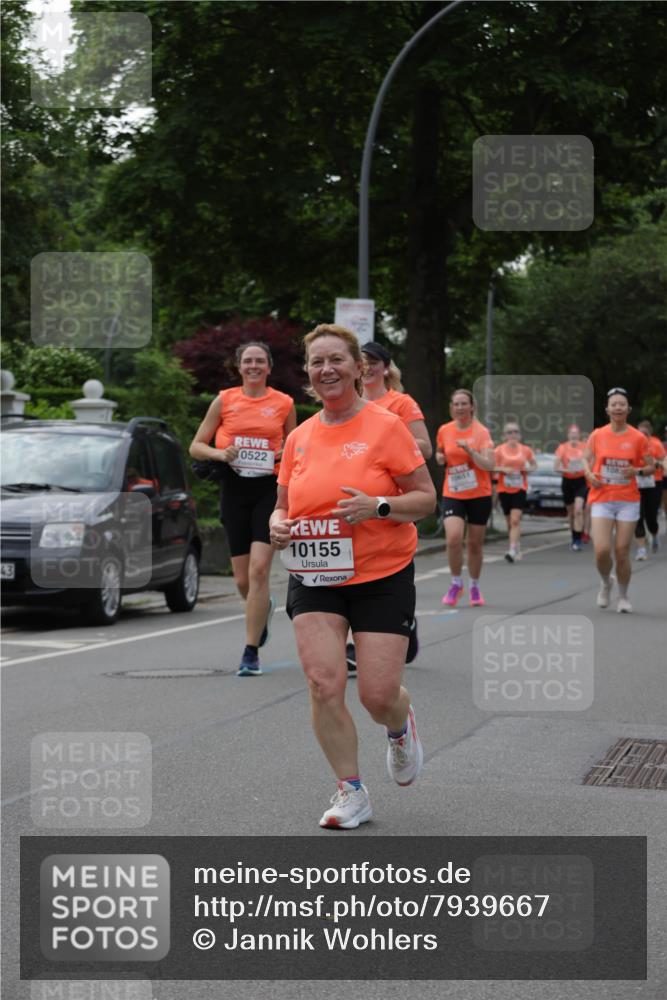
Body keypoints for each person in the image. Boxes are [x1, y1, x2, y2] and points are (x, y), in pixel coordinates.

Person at [269, 324, 436, 829]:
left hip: (382, 573)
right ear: (308, 374)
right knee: (324, 682)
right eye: (317, 362)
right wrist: (278, 526)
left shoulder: (386, 426)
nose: (327, 370)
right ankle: (352, 791)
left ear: (359, 368)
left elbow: (425, 498)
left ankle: (400, 726)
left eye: (337, 360)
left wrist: (379, 506)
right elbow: (281, 508)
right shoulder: (299, 437)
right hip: (315, 573)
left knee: (377, 694)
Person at [190, 341, 296, 674]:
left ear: (269, 366)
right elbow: (196, 446)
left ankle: (250, 653)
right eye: (248, 361)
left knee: (259, 570)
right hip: (234, 490)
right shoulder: (225, 400)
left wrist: (282, 456)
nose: (253, 366)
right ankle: (261, 607)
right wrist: (221, 454)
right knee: (241, 580)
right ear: (239, 366)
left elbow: (297, 446)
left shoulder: (283, 403)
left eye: (260, 361)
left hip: (269, 489)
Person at [341, 341, 432, 675]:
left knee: (388, 563)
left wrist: (388, 441)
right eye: (362, 362)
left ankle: (403, 617)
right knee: (349, 565)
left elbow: (425, 445)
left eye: (374, 362)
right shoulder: (350, 405)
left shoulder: (400, 403)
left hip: (393, 499)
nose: (368, 367)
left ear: (385, 367)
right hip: (353, 496)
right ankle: (353, 644)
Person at [582, 388, 654, 613]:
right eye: (614, 404)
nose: (618, 407)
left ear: (628, 409)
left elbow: (651, 465)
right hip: (602, 497)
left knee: (622, 551)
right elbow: (585, 459)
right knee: (602, 550)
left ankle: (623, 596)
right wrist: (589, 474)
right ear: (607, 409)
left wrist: (638, 471)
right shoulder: (598, 435)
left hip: (627, 500)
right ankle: (606, 582)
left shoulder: (638, 437)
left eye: (622, 404)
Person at [436, 389, 495, 607]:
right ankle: (455, 583)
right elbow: (440, 453)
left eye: (464, 404)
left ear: (472, 407)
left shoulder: (482, 432)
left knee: (475, 544)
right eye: (456, 404)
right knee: (453, 538)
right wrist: (440, 457)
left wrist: (471, 451)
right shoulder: (444, 430)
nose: (460, 408)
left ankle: (474, 586)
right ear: (451, 407)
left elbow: (490, 465)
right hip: (453, 492)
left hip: (479, 493)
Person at [494, 424, 537, 563]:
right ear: (505, 435)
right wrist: (502, 469)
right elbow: (491, 466)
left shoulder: (525, 450)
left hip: (520, 488)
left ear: (519, 435)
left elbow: (534, 465)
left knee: (515, 520)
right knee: (509, 522)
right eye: (509, 432)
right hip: (504, 489)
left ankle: (512, 550)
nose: (513, 435)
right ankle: (516, 544)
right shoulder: (499, 450)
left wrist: (527, 469)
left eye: (515, 432)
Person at [633, 419, 666, 559]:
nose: (642, 436)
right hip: (636, 483)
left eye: (645, 434)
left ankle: (654, 534)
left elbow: (664, 462)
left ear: (650, 434)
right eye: (639, 433)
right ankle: (641, 550)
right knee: (638, 516)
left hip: (654, 483)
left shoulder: (656, 444)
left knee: (651, 517)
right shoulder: (632, 444)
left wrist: (656, 463)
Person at [555, 425, 588, 551]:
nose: (574, 436)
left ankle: (578, 540)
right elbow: (556, 467)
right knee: (571, 512)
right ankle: (573, 536)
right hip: (567, 481)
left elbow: (591, 463)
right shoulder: (562, 448)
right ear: (568, 435)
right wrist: (567, 469)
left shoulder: (585, 447)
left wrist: (583, 469)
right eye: (571, 434)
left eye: (576, 433)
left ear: (579, 435)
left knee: (578, 510)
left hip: (580, 481)